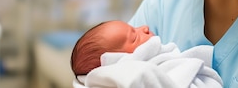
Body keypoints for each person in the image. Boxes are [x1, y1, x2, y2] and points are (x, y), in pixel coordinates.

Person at [70, 20, 222, 88]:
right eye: (135, 37)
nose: (144, 27)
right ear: (118, 61)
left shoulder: (164, 62)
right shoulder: (137, 74)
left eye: (134, 28)